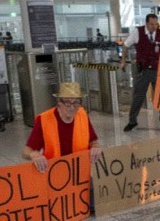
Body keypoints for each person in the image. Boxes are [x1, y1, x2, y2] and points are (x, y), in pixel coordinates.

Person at [22, 82, 102, 212]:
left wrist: (96, 146)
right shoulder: (45, 120)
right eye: (67, 102)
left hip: (79, 174)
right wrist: (34, 154)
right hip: (55, 176)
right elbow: (26, 151)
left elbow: (93, 140)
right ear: (59, 102)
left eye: (76, 102)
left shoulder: (82, 115)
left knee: (94, 206)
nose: (72, 107)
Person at [119, 13, 160, 133]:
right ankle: (132, 122)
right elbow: (125, 45)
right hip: (142, 71)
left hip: (157, 70)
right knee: (138, 97)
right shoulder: (137, 32)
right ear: (147, 23)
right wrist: (123, 61)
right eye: (152, 24)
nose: (155, 27)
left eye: (156, 24)